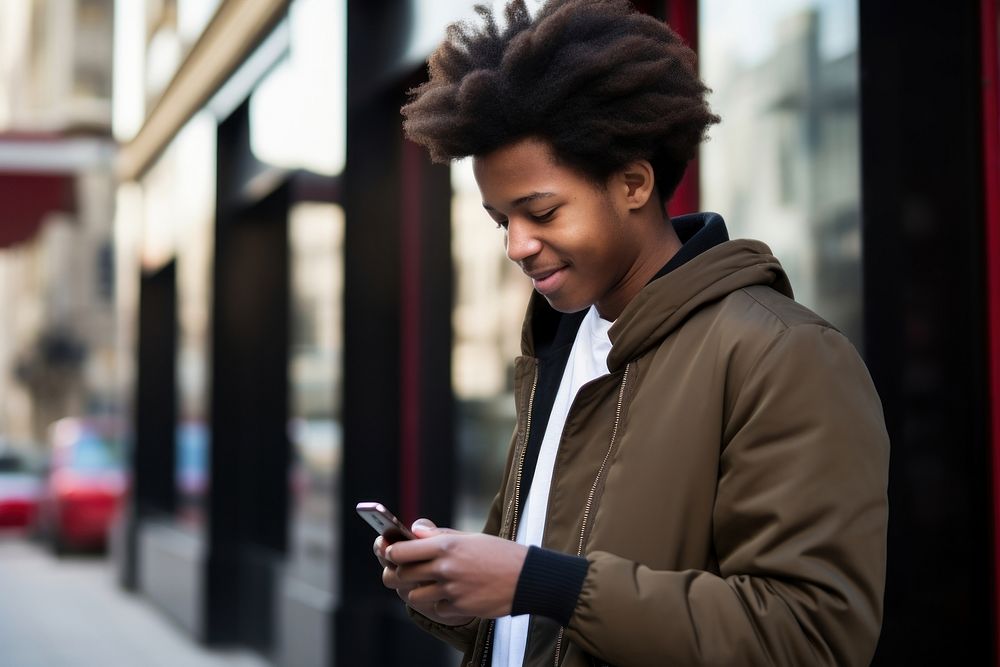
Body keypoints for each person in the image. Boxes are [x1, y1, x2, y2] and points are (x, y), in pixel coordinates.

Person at [373, 1, 890, 665]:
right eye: (503, 221)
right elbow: (539, 610)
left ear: (634, 182)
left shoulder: (784, 354)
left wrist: (538, 580)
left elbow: (811, 634)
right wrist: (454, 589)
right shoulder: (559, 347)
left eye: (542, 211)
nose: (518, 246)